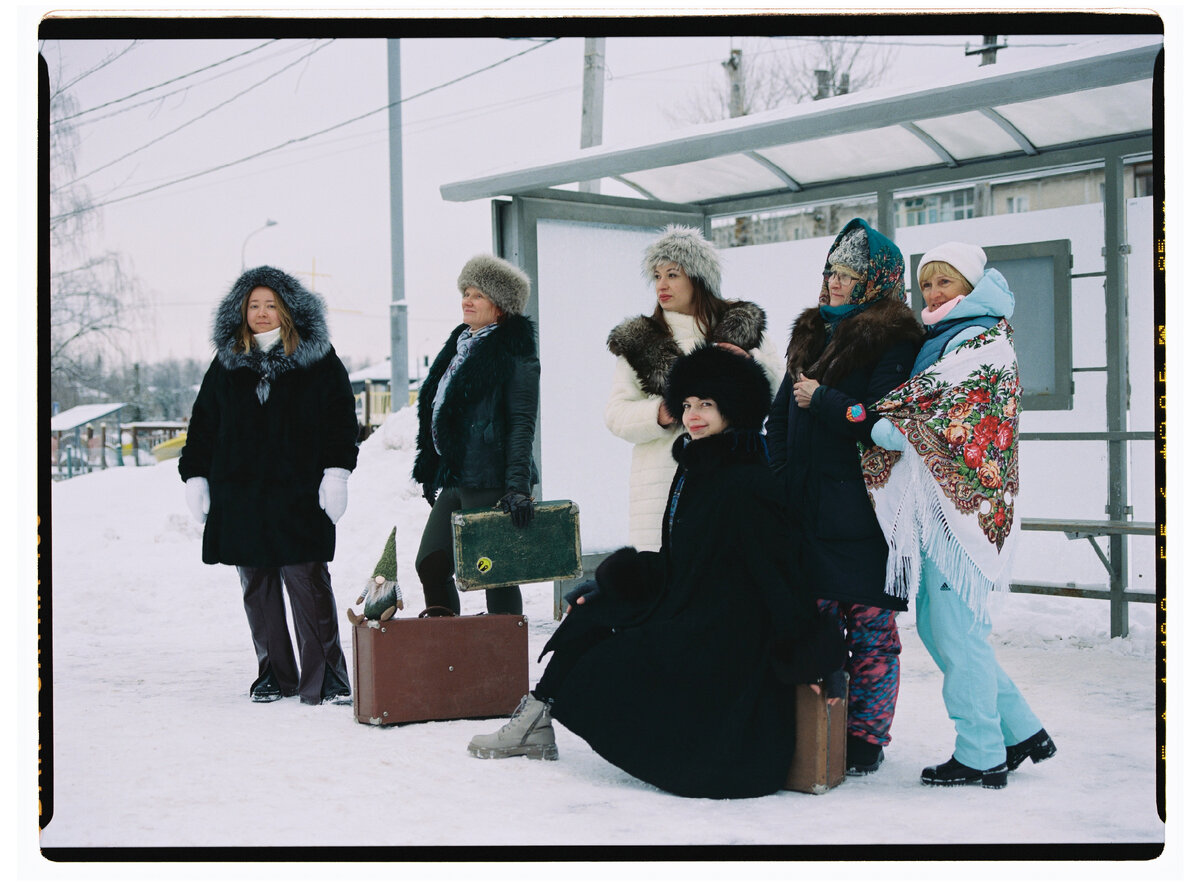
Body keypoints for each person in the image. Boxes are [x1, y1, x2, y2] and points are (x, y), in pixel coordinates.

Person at [466, 345, 846, 800]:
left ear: (735, 405)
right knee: (590, 609)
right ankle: (535, 723)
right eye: (687, 404)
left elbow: (780, 575)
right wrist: (614, 585)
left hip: (726, 635)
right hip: (685, 604)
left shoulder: (750, 480)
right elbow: (676, 558)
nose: (693, 415)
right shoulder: (695, 466)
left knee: (612, 660)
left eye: (707, 404)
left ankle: (543, 717)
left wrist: (816, 655)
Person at [864, 242, 1056, 789]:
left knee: (954, 630)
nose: (933, 293)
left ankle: (980, 753)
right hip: (946, 509)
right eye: (926, 284)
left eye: (944, 282)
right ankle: (1019, 730)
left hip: (964, 513)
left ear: (969, 287)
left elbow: (932, 413)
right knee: (944, 626)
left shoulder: (979, 342)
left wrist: (870, 423)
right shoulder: (950, 336)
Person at [766, 218, 924, 776]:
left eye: (850, 274)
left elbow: (885, 418)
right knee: (818, 629)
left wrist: (824, 397)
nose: (835, 282)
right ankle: (819, 730)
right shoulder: (812, 331)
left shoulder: (895, 337)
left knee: (874, 633)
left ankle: (865, 738)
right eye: (832, 270)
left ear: (875, 280)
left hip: (867, 514)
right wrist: (783, 475)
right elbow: (781, 415)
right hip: (807, 511)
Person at [179, 266, 359, 705]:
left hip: (298, 490)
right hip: (240, 491)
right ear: (241, 310)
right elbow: (204, 421)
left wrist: (337, 472)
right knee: (256, 585)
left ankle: (328, 678)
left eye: (271, 305)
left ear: (288, 310)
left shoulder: (318, 357)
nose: (262, 313)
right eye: (254, 305)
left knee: (307, 580)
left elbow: (341, 417)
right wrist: (195, 474)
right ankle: (275, 675)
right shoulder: (226, 361)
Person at [605, 225, 784, 551]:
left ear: (699, 277)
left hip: (733, 473)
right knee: (665, 574)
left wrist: (749, 362)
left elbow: (778, 391)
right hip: (659, 478)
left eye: (673, 274)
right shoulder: (640, 340)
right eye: (656, 276)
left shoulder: (741, 329)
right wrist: (660, 413)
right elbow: (615, 414)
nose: (662, 285)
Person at [412, 254, 540, 616]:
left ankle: (503, 661)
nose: (467, 300)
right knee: (431, 563)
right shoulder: (460, 346)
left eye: (478, 295)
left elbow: (521, 424)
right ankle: (450, 650)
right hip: (457, 476)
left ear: (500, 307)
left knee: (494, 573)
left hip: (492, 481)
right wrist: (431, 465)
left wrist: (517, 487)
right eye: (465, 292)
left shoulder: (515, 354)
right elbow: (441, 411)